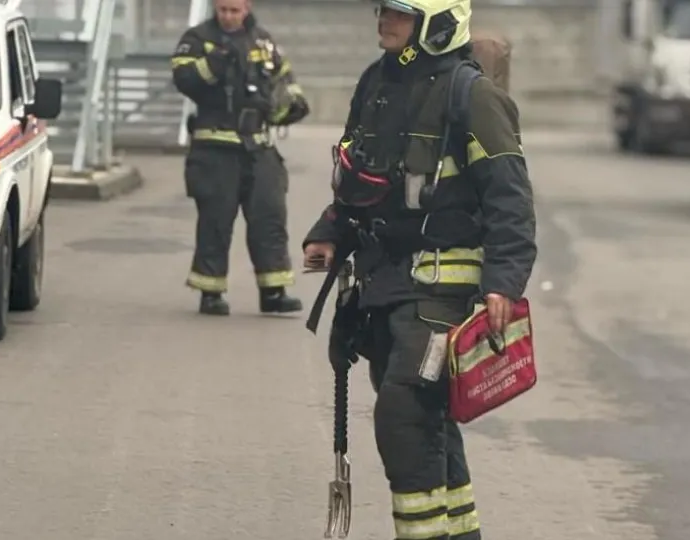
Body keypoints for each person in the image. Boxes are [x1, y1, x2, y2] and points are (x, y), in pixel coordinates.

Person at [302, 0, 537, 538]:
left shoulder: (471, 96)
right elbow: (358, 175)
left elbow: (510, 199)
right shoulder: (376, 82)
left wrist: (503, 282)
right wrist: (330, 231)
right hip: (384, 284)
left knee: (403, 417)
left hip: (441, 288)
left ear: (440, 23)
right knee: (429, 419)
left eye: (400, 14)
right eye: (383, 11)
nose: (385, 21)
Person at [171, 0, 309, 316]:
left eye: (234, 10)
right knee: (215, 222)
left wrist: (293, 105)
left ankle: (273, 291)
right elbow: (183, 78)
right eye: (223, 9)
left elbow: (284, 79)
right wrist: (213, 64)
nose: (228, 16)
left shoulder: (264, 41)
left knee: (270, 217)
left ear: (246, 8)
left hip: (259, 146)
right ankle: (210, 293)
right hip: (214, 148)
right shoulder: (197, 39)